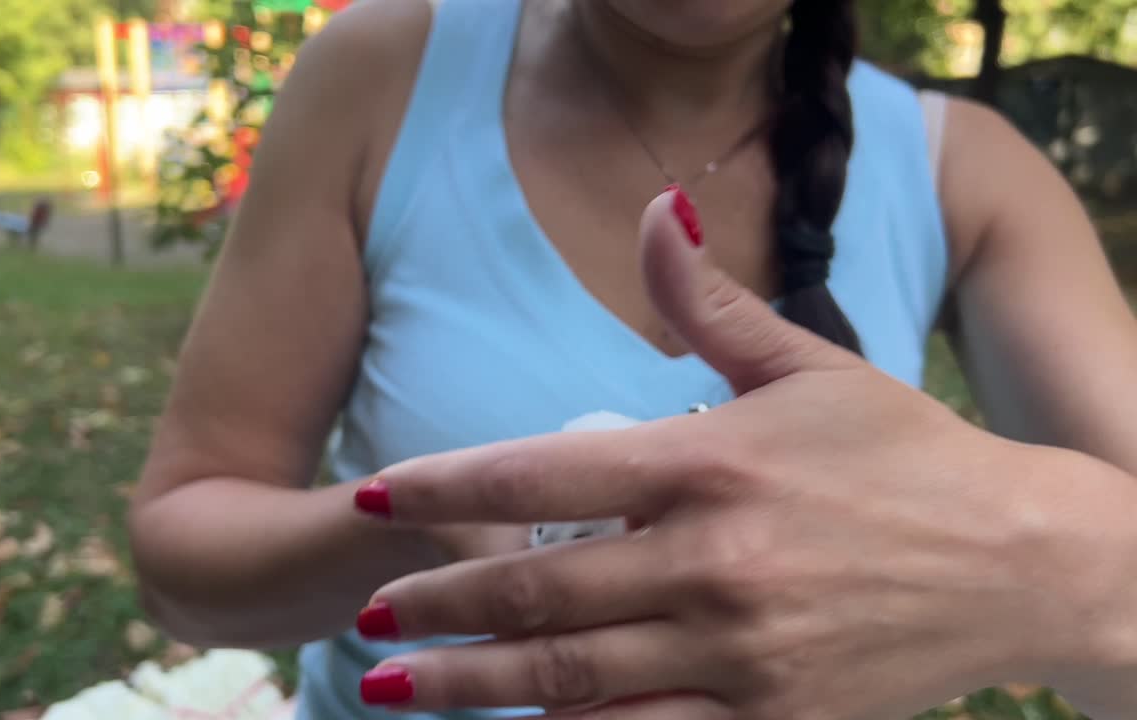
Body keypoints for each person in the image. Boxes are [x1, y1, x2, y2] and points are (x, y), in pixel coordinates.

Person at [127, 0, 1137, 718]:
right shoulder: (381, 73)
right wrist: (439, 531)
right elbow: (184, 557)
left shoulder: (969, 167)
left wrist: (1037, 572)